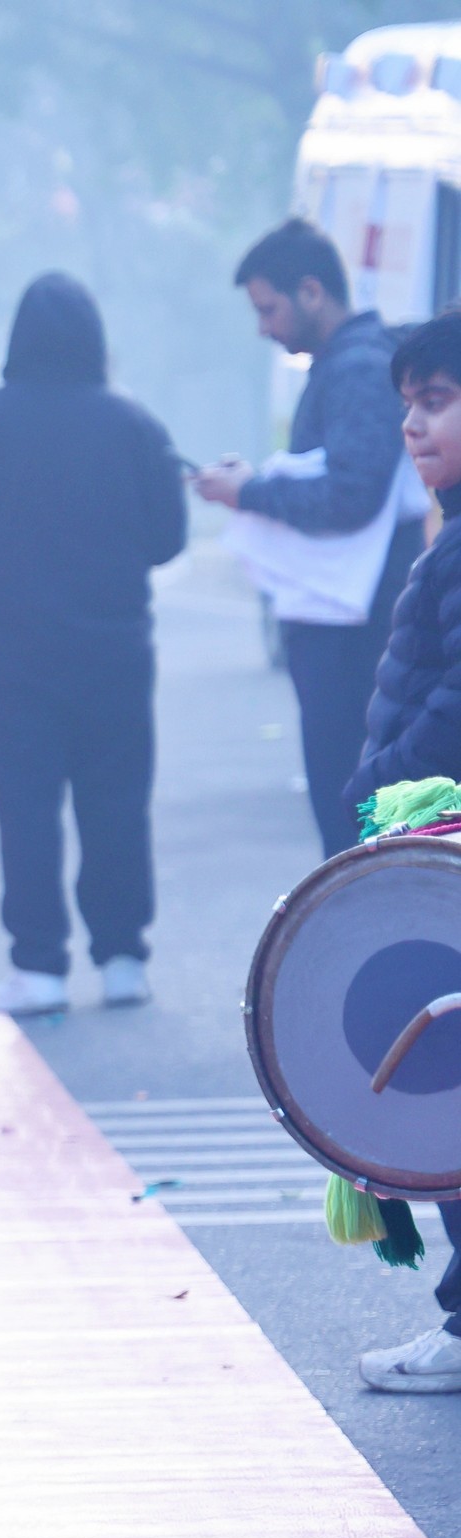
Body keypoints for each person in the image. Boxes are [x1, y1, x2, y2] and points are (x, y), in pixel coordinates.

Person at [0, 273, 187, 1018]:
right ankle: (123, 958)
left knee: (25, 807)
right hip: (115, 650)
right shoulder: (135, 425)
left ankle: (39, 969)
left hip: (10, 655)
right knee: (117, 803)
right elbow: (168, 539)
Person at [197, 217, 425, 858]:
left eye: (268, 308)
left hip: (352, 634)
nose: (263, 327)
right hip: (349, 626)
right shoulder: (346, 364)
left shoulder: (357, 369)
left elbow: (350, 494)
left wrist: (250, 493)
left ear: (312, 291)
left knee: (356, 825)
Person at [336, 311, 461, 1393]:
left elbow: (453, 708)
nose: (414, 426)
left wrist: (381, 789)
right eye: (409, 406)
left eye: (437, 401)